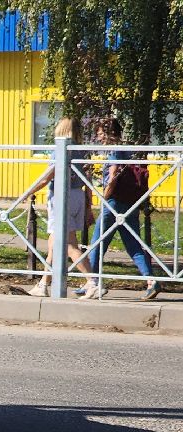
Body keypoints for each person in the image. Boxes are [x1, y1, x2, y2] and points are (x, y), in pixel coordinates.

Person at [85, 118, 159, 300]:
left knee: (97, 244)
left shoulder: (114, 151)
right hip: (130, 203)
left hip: (114, 204)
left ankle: (91, 283)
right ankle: (151, 281)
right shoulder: (127, 148)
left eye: (101, 133)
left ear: (110, 133)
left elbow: (113, 175)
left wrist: (105, 196)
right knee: (133, 245)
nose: (98, 136)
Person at [21, 117, 92, 297]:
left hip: (62, 197)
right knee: (54, 245)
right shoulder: (83, 151)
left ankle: (93, 281)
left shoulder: (61, 150)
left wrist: (28, 192)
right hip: (78, 195)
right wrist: (88, 206)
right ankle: (44, 284)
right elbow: (88, 179)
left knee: (66, 245)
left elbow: (47, 177)